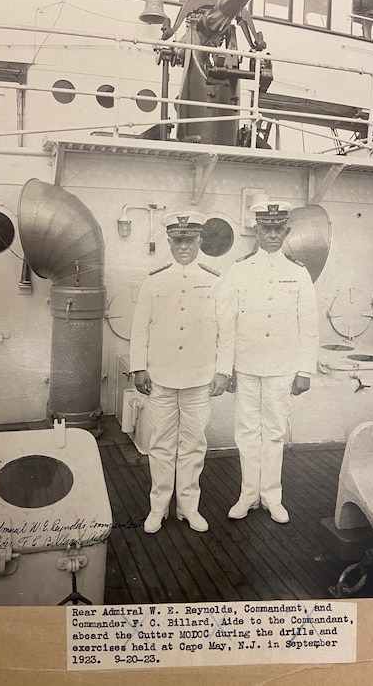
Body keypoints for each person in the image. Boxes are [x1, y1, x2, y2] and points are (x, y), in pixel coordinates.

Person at [130, 211, 232, 534]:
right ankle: (158, 508)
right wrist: (138, 367)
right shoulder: (154, 280)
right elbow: (139, 328)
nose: (184, 245)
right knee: (160, 444)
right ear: (170, 241)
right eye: (178, 240)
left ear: (200, 240)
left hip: (200, 379)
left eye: (190, 239)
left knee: (193, 444)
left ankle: (188, 507)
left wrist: (223, 371)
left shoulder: (216, 281)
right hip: (160, 376)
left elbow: (226, 331)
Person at [218, 201, 319, 524]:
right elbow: (226, 322)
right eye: (266, 229)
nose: (272, 235)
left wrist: (304, 370)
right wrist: (225, 367)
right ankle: (248, 495)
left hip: (282, 366)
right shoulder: (240, 269)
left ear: (286, 231)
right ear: (257, 231)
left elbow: (309, 323)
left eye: (278, 229)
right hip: (246, 364)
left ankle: (271, 497)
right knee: (247, 432)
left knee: (274, 431)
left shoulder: (298, 272)